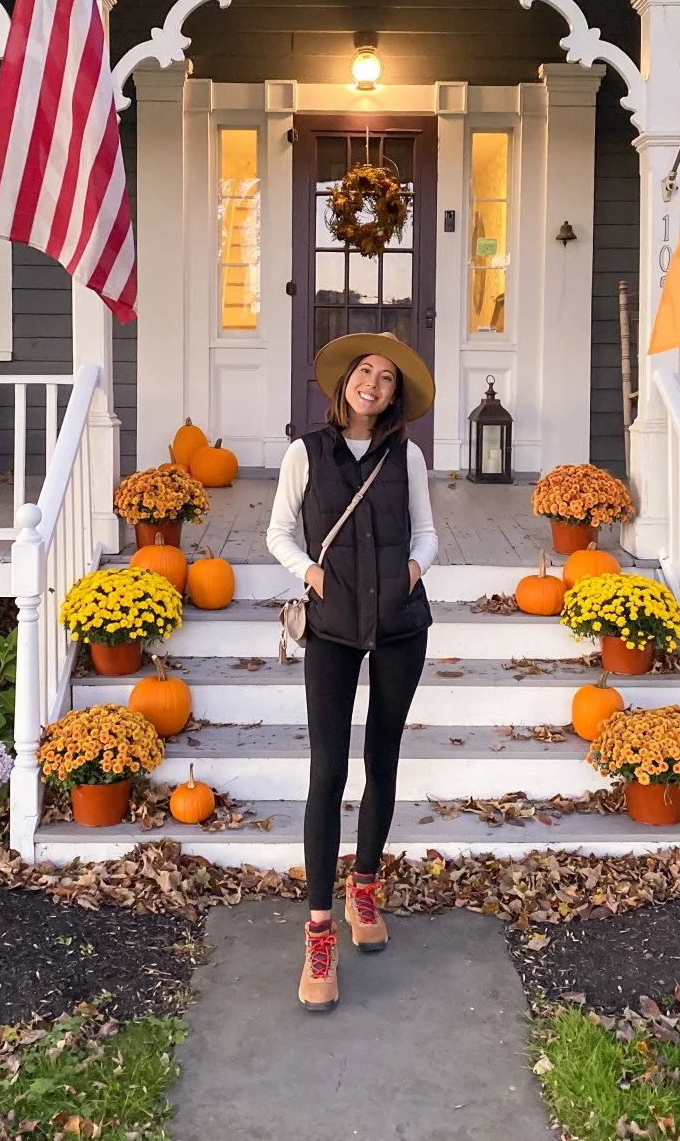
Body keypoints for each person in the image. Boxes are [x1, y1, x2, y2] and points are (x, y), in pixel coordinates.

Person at [266, 331, 438, 1012]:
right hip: (332, 628)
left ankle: (363, 889)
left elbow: (426, 531)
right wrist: (310, 572)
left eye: (387, 378)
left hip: (400, 623)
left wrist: (413, 570)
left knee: (384, 760)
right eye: (365, 371)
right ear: (345, 383)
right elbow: (278, 531)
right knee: (327, 771)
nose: (374, 383)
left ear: (395, 396)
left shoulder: (408, 455)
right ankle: (318, 932)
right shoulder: (304, 453)